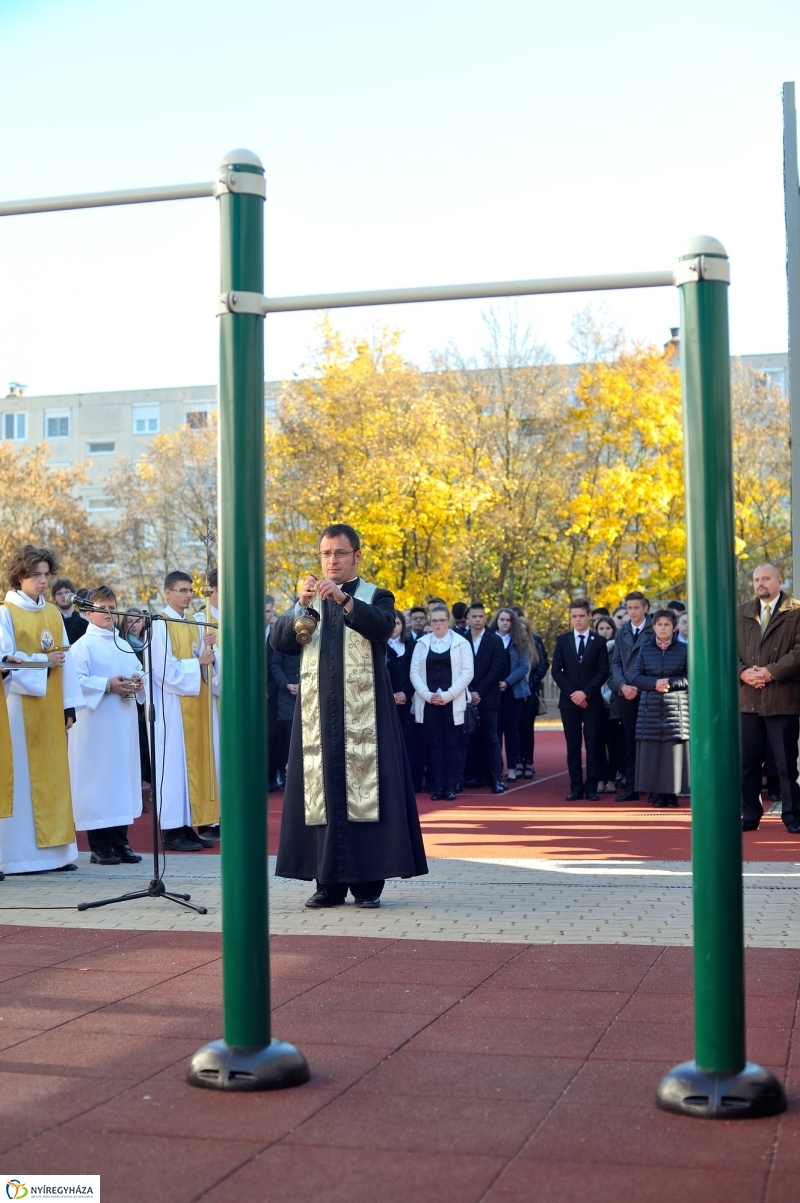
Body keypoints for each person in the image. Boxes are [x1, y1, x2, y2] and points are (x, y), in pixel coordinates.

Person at [270, 523, 428, 908]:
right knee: (318, 793)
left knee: (368, 795)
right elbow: (280, 643)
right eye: (326, 553)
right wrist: (300, 606)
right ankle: (327, 884)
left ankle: (368, 886)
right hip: (317, 716)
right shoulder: (310, 599)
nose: (332, 560)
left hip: (366, 716)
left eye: (339, 553)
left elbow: (381, 627)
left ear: (356, 556)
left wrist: (343, 600)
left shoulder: (377, 595)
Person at [0, 544, 83, 873]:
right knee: (20, 781)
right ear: (20, 576)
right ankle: (17, 857)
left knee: (54, 778)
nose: (43, 580)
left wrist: (69, 705)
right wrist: (43, 662)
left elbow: (68, 661)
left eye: (47, 574)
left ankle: (57, 855)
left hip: (49, 710)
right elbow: (6, 664)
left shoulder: (52, 614)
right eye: (36, 575)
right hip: (19, 710)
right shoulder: (5, 613)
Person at [69, 586, 144, 864]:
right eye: (103, 608)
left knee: (120, 781)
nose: (110, 613)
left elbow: (139, 670)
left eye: (113, 608)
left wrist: (137, 683)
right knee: (99, 783)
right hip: (96, 728)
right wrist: (107, 685)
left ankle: (120, 842)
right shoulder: (83, 646)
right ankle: (100, 847)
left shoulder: (123, 643)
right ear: (88, 611)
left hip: (122, 726)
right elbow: (74, 681)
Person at [151, 570, 219, 852]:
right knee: (174, 768)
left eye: (190, 590)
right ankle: (171, 829)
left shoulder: (193, 624)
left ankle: (187, 826)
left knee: (191, 769)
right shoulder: (160, 624)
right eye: (181, 590)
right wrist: (198, 662)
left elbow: (205, 664)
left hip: (195, 705)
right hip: (172, 710)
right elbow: (162, 669)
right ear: (167, 593)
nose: (188, 595)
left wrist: (208, 656)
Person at [739, 563, 800, 833]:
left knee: (786, 765)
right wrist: (742, 673)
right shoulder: (740, 612)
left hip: (782, 699)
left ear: (780, 580)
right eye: (756, 579)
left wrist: (770, 673)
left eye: (765, 578)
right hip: (748, 700)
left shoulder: (796, 611)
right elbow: (727, 650)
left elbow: (799, 652)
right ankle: (750, 815)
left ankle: (792, 816)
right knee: (748, 764)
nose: (760, 583)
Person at [409, 604, 474, 801]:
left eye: (441, 620)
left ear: (448, 621)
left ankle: (451, 786)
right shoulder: (422, 643)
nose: (438, 624)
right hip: (429, 702)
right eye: (434, 620)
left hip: (453, 702)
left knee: (452, 744)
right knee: (435, 744)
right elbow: (414, 673)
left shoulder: (461, 643)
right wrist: (428, 695)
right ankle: (438, 787)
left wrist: (448, 695)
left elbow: (467, 673)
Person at [551, 598, 609, 801]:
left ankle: (591, 788)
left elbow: (603, 671)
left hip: (592, 702)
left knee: (593, 746)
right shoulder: (563, 640)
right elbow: (557, 671)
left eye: (581, 616)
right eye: (574, 616)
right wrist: (573, 694)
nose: (578, 620)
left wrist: (586, 693)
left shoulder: (599, 641)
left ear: (589, 616)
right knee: (573, 746)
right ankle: (576, 787)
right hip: (569, 702)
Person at [631, 609, 689, 808]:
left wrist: (670, 683)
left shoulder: (684, 650)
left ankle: (672, 794)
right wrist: (654, 683)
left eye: (667, 625)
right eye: (659, 624)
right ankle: (656, 793)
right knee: (653, 751)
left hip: (676, 708)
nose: (663, 628)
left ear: (674, 628)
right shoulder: (645, 649)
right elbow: (635, 676)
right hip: (650, 707)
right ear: (654, 627)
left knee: (672, 752)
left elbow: (691, 676)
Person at [611, 590, 653, 800]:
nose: (633, 612)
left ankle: (655, 787)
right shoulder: (622, 631)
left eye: (637, 607)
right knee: (629, 741)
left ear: (646, 608)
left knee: (652, 740)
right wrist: (623, 686)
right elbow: (616, 662)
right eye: (629, 608)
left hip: (649, 693)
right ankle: (632, 786)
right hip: (626, 693)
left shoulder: (655, 628)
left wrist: (641, 684)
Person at [464, 601, 507, 794]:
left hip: (488, 698)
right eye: (474, 616)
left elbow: (496, 669)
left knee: (492, 738)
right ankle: (475, 775)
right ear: (468, 619)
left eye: (481, 616)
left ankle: (496, 778)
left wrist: (478, 692)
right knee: (470, 738)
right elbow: (459, 669)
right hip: (465, 695)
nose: (478, 619)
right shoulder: (460, 639)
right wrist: (470, 691)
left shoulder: (494, 640)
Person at [490, 608, 533, 782]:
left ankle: (513, 768)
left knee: (512, 730)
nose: (505, 622)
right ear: (497, 621)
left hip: (513, 692)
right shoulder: (490, 639)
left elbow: (524, 666)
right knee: (495, 731)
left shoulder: (519, 641)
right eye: (502, 619)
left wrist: (507, 682)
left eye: (508, 620)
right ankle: (496, 768)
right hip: (493, 692)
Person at [596, 615, 624, 793]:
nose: (605, 631)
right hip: (595, 701)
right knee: (596, 743)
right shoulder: (592, 648)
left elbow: (617, 674)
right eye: (601, 629)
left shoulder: (618, 648)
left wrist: (608, 695)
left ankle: (612, 779)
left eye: (608, 628)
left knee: (613, 743)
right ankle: (599, 779)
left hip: (614, 702)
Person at [270, 643, 300, 790]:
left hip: (310, 692)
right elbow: (275, 665)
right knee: (291, 741)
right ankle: (292, 779)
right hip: (287, 698)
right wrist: (287, 684)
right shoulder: (283, 636)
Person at [386, 609, 414, 760]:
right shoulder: (378, 646)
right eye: (391, 623)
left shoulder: (412, 646)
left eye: (397, 623)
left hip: (408, 701)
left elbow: (416, 673)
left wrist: (406, 693)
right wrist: (390, 695)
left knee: (409, 742)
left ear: (403, 625)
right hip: (387, 700)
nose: (394, 627)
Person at [51, 577, 89, 645]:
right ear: (54, 598)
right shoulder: (51, 621)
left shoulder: (84, 620)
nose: (64, 596)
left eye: (67, 592)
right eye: (59, 593)